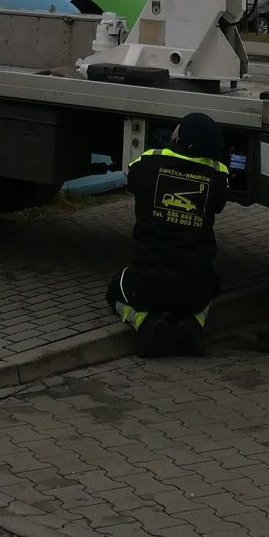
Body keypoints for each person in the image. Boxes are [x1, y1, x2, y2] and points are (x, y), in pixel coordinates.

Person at [106, 112, 231, 357]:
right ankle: (193, 325)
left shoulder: (148, 163)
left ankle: (145, 323)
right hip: (194, 289)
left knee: (115, 288)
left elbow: (132, 180)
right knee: (213, 285)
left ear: (179, 137)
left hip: (146, 287)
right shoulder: (218, 176)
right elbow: (218, 203)